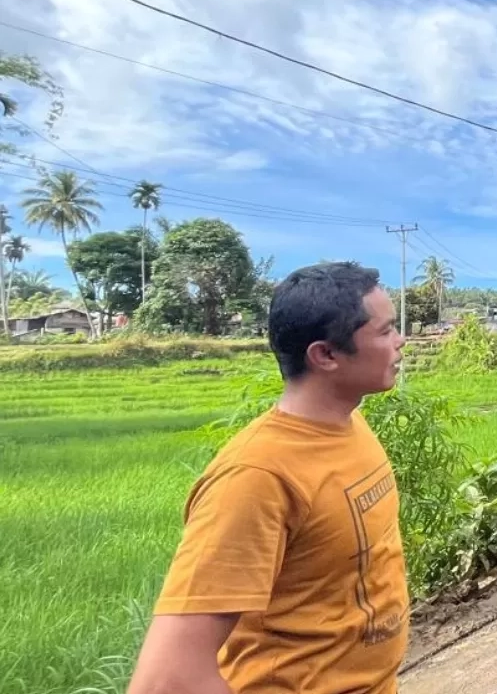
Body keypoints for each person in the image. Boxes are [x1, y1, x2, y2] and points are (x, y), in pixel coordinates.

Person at [126, 262, 409, 694]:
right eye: (385, 331)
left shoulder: (351, 424)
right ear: (326, 355)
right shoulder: (256, 477)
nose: (401, 341)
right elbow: (167, 680)